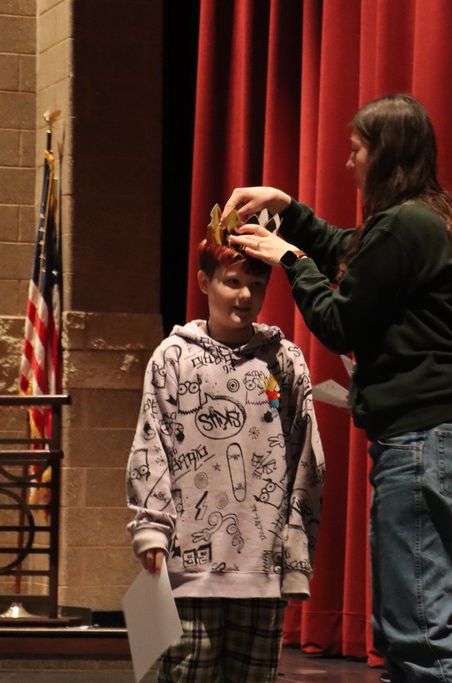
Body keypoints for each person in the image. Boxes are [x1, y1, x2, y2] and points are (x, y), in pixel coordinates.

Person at [223, 93, 452, 683]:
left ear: (385, 153)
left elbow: (341, 319)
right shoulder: (416, 221)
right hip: (427, 439)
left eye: (357, 150)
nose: (349, 163)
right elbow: (352, 251)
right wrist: (288, 210)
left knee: (423, 632)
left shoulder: (404, 223)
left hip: (424, 438)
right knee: (405, 630)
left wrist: (290, 257)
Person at [125, 209, 326, 683]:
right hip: (191, 564)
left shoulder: (284, 360)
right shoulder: (173, 357)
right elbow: (151, 443)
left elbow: (306, 457)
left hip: (262, 566)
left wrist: (295, 553)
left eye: (257, 286)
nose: (245, 296)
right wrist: (151, 529)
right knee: (186, 673)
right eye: (233, 282)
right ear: (203, 282)